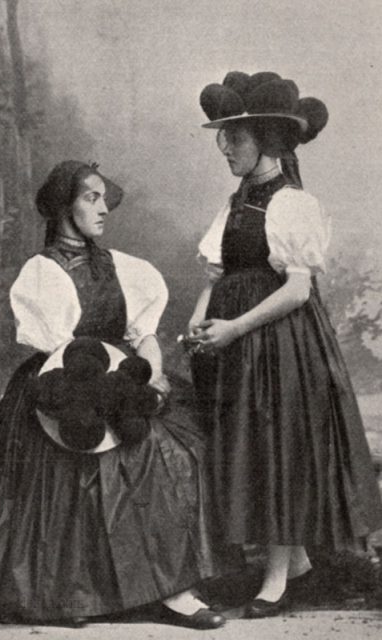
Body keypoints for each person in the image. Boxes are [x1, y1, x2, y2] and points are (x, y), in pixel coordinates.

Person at [0, 160, 231, 630]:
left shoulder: (124, 267)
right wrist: (106, 388)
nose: (103, 208)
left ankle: (177, 590)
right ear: (63, 207)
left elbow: (143, 334)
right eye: (91, 198)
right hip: (67, 379)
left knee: (179, 449)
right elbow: (58, 347)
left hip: (126, 375)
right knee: (77, 465)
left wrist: (151, 373)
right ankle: (68, 594)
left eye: (103, 199)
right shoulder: (43, 271)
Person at [187, 71, 382, 618]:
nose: (226, 148)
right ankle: (296, 565)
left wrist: (234, 328)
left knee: (275, 448)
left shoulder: (292, 204)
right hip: (235, 343)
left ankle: (276, 579)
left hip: (279, 342)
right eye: (224, 138)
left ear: (267, 141)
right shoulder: (235, 204)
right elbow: (215, 277)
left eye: (236, 138)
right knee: (249, 446)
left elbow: (297, 290)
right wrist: (199, 322)